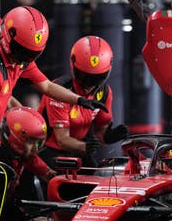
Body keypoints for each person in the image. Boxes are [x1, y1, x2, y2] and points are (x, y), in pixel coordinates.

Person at [0, 9, 111, 161]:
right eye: (22, 51)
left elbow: (46, 86)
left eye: (32, 54)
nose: (25, 57)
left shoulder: (19, 61)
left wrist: (79, 100)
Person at [38, 35, 128, 168]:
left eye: (97, 78)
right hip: (50, 150)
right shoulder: (60, 89)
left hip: (80, 150)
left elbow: (100, 131)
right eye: (84, 77)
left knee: (97, 182)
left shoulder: (104, 93)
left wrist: (109, 136)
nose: (90, 84)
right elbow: (62, 140)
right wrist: (85, 146)